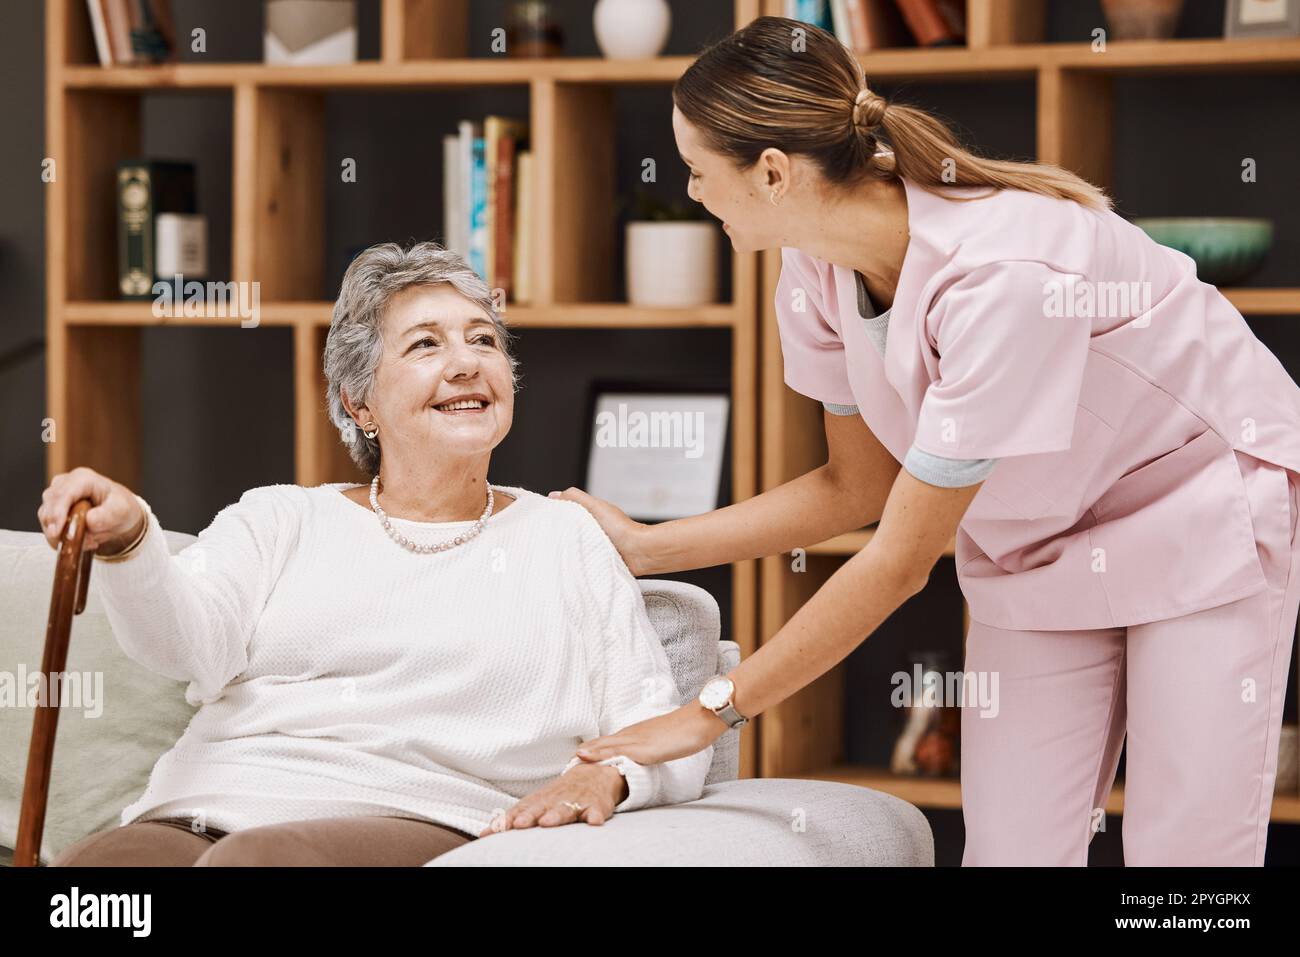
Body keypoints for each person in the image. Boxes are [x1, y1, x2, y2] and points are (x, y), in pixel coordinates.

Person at [554, 15, 1300, 866]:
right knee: (1010, 851)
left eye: (696, 171)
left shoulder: (1003, 278)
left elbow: (901, 559)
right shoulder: (811, 267)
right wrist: (649, 548)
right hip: (1036, 541)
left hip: (1198, 511)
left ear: (770, 172)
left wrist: (704, 714)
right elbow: (854, 488)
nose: (688, 191)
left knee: (1184, 860)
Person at [40, 241, 713, 866]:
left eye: (484, 340)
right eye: (426, 344)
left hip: (418, 813)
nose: (466, 361)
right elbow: (182, 644)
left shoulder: (566, 537)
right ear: (359, 401)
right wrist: (132, 540)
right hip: (199, 806)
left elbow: (662, 728)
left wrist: (610, 772)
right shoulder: (280, 518)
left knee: (256, 865)